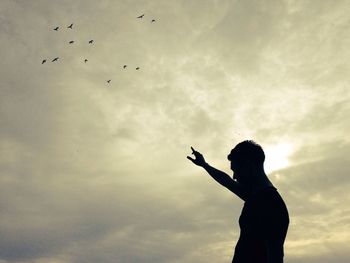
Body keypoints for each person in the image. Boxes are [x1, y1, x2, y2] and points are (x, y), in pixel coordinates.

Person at [187, 140, 289, 263]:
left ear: (248, 165)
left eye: (236, 170)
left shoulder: (270, 204)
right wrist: (204, 165)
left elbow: (275, 257)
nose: (234, 176)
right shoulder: (255, 198)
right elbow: (227, 181)